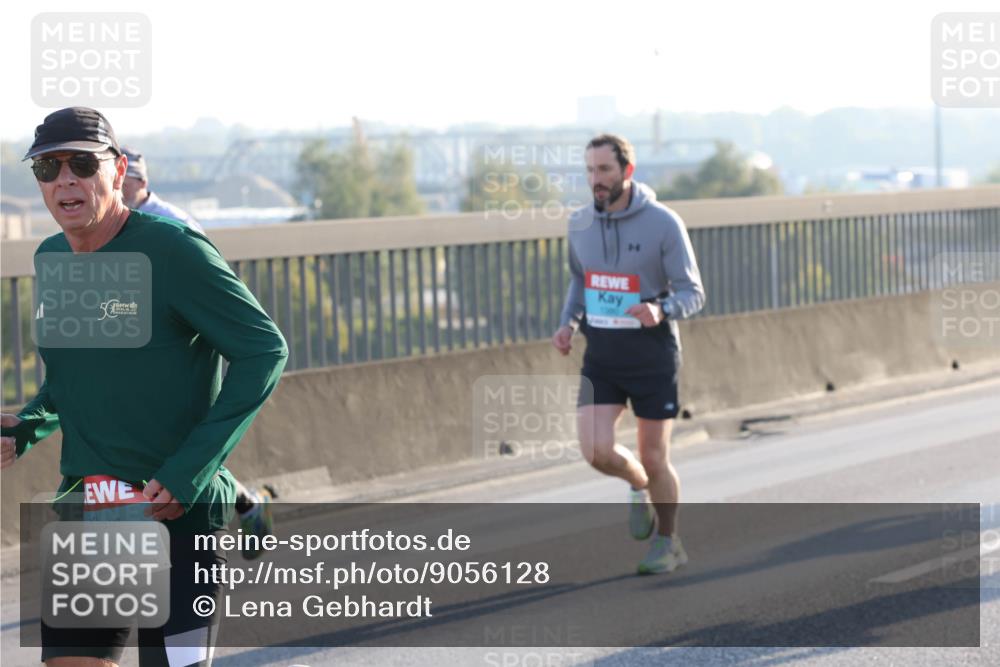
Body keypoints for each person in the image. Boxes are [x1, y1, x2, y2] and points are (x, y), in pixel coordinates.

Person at [0, 106, 288, 666]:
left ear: (118, 169)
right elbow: (74, 381)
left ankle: (246, 505)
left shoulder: (175, 250)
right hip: (93, 512)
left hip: (176, 516)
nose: (65, 179)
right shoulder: (53, 257)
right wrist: (26, 426)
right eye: (48, 167)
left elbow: (264, 351)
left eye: (83, 163)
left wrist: (189, 471)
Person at [551, 134, 705, 575]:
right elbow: (580, 280)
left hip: (652, 354)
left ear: (627, 172)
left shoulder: (663, 223)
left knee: (656, 456)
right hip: (602, 352)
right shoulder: (580, 223)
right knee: (596, 451)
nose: (595, 181)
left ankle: (668, 540)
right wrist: (568, 323)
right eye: (589, 171)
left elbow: (694, 293)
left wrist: (661, 309)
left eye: (604, 171)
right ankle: (638, 486)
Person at [120, 145, 276, 560]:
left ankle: (225, 517)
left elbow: (212, 288)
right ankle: (249, 504)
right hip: (141, 351)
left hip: (186, 344)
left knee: (184, 448)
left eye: (123, 180)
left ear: (140, 181)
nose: (115, 189)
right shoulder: (113, 226)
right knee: (173, 448)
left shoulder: (174, 224)